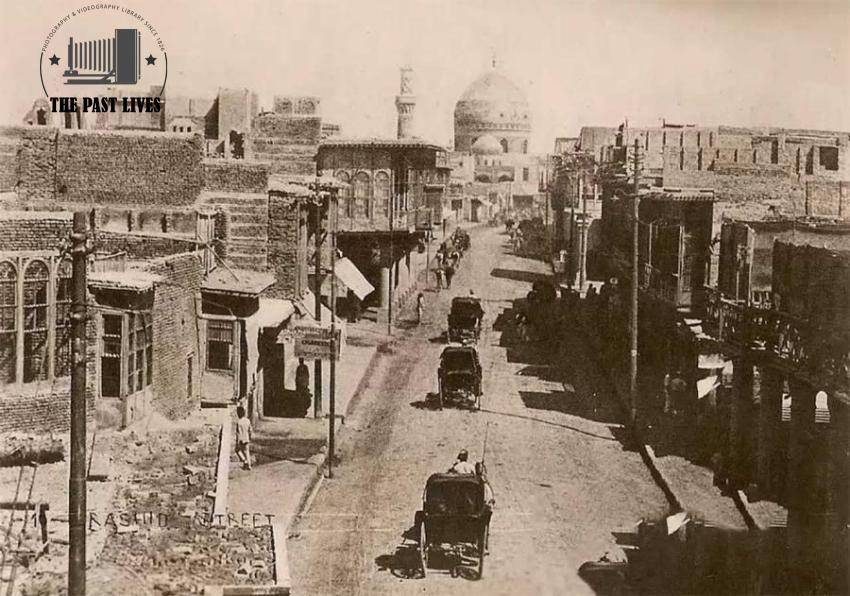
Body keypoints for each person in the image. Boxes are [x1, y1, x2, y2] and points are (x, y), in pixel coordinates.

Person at [235, 406, 253, 470]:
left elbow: (238, 432)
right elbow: (250, 430)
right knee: (247, 452)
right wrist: (250, 437)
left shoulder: (239, 422)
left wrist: (237, 441)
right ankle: (249, 465)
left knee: (237, 450)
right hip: (247, 438)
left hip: (241, 439)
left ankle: (245, 461)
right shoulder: (248, 420)